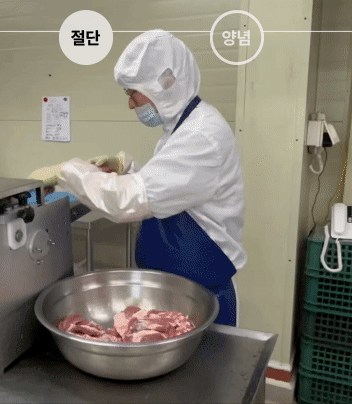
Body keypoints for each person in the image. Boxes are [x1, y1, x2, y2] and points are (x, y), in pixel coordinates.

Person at [29, 30, 245, 326]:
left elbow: (129, 201)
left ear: (163, 85)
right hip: (178, 290)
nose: (131, 104)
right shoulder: (183, 127)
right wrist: (125, 167)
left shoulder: (201, 135)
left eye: (132, 93)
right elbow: (170, 187)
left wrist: (69, 171)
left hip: (203, 300)